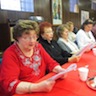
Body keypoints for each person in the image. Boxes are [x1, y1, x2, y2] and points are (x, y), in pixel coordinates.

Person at [0, 20, 67, 96]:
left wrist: (60, 70)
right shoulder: (10, 54)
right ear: (17, 38)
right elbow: (10, 84)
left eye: (34, 37)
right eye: (26, 37)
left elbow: (50, 62)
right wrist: (37, 87)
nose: (32, 41)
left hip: (40, 85)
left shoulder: (38, 46)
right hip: (23, 92)